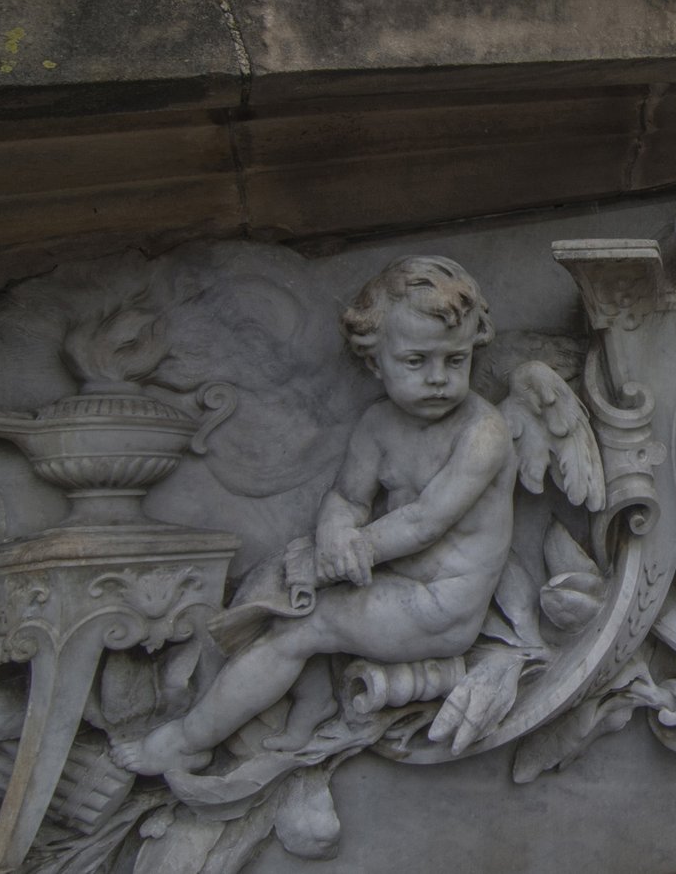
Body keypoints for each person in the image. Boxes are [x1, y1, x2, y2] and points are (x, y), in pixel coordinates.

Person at [116, 256, 517, 775]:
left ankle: (188, 740)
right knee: (278, 587)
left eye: (455, 360)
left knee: (301, 627)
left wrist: (349, 552)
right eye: (416, 362)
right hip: (392, 582)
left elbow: (425, 521)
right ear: (375, 362)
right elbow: (349, 497)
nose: (439, 379)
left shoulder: (483, 433)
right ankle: (308, 703)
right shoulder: (377, 425)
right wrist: (334, 531)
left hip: (444, 607)